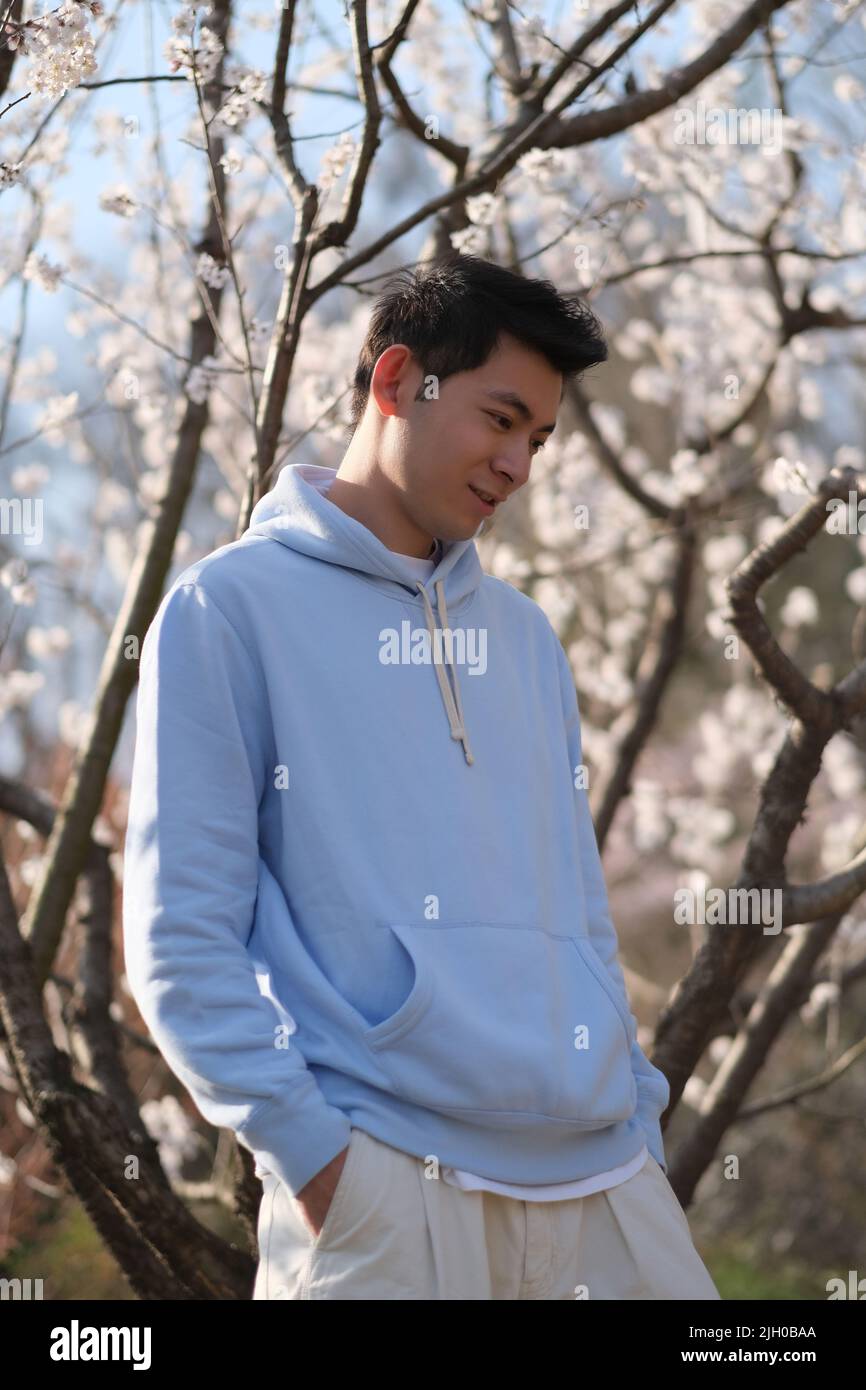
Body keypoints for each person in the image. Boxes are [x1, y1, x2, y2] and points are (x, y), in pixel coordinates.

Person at [122, 252, 721, 1301]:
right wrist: (316, 1162)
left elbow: (576, 912)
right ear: (396, 380)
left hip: (604, 1184)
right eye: (499, 419)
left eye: (537, 438)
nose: (520, 465)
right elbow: (178, 934)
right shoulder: (230, 610)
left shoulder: (528, 639)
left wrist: (635, 1113)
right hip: (388, 1184)